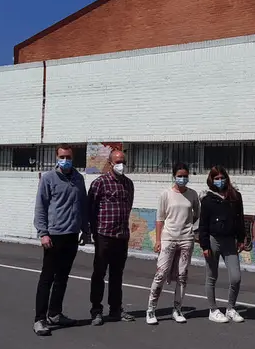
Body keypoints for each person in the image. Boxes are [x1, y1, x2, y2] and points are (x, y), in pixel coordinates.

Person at [32, 143, 89, 336]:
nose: (65, 160)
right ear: (57, 158)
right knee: (47, 277)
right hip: (54, 235)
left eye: (69, 157)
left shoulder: (78, 179)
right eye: (62, 157)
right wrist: (43, 233)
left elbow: (83, 205)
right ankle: (40, 319)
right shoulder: (48, 178)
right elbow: (41, 207)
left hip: (71, 235)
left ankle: (55, 314)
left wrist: (85, 230)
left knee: (62, 277)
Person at [145, 162, 200, 325]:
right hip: (168, 238)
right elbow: (160, 219)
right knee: (161, 274)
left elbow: (197, 214)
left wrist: (189, 227)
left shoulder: (192, 194)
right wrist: (158, 240)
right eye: (179, 176)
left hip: (186, 239)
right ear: (174, 176)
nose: (182, 179)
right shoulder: (166, 194)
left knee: (182, 276)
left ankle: (177, 309)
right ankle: (151, 309)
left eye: (185, 176)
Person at [88, 149, 136, 326]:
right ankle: (96, 310)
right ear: (110, 163)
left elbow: (128, 206)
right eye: (117, 162)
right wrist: (93, 231)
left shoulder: (128, 184)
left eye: (123, 161)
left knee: (117, 275)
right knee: (99, 273)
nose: (121, 165)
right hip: (104, 236)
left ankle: (115, 309)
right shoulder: (100, 183)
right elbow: (91, 208)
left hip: (121, 236)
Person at [198, 165, 246, 324]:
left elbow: (240, 218)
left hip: (230, 241)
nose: (220, 181)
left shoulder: (235, 196)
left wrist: (241, 238)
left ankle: (231, 308)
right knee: (212, 276)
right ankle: (213, 310)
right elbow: (203, 224)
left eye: (222, 177)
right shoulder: (207, 200)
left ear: (226, 178)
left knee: (236, 277)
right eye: (216, 178)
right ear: (211, 180)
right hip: (213, 241)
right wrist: (205, 246)